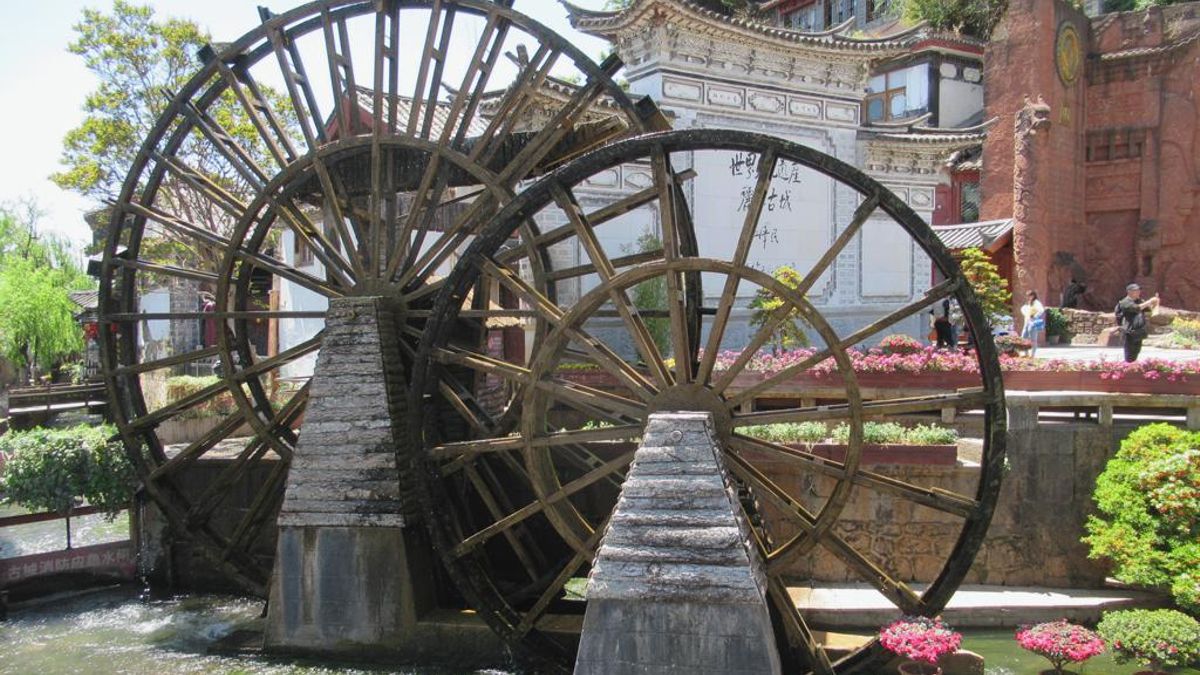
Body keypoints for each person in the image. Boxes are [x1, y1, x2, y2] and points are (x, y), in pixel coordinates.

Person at [1115, 283, 1159, 362]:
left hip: (1139, 331)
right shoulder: (1125, 302)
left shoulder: (1139, 301)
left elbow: (1148, 310)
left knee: (1136, 351)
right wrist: (1149, 301)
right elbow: (1136, 308)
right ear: (1129, 292)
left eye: (1139, 290)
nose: (1139, 292)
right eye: (1136, 290)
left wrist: (1155, 302)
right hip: (1129, 331)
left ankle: (1133, 366)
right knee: (1129, 353)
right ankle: (1128, 368)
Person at [1020, 290, 1045, 357]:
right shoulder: (1028, 303)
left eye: (1029, 295)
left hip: (1033, 322)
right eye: (1027, 296)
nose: (1028, 297)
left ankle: (1032, 354)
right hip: (1027, 322)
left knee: (1033, 338)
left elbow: (1041, 310)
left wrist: (1035, 316)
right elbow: (1023, 309)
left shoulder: (1036, 302)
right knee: (1024, 337)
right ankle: (1026, 353)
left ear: (1033, 296)